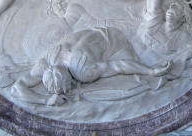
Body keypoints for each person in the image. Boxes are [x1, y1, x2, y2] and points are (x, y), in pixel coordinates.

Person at [12, 27, 172, 103]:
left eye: (68, 86)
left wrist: (150, 70)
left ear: (70, 80)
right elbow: (16, 88)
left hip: (117, 41)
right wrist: (44, 100)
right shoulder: (49, 59)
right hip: (98, 30)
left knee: (136, 81)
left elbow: (119, 66)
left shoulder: (83, 71)